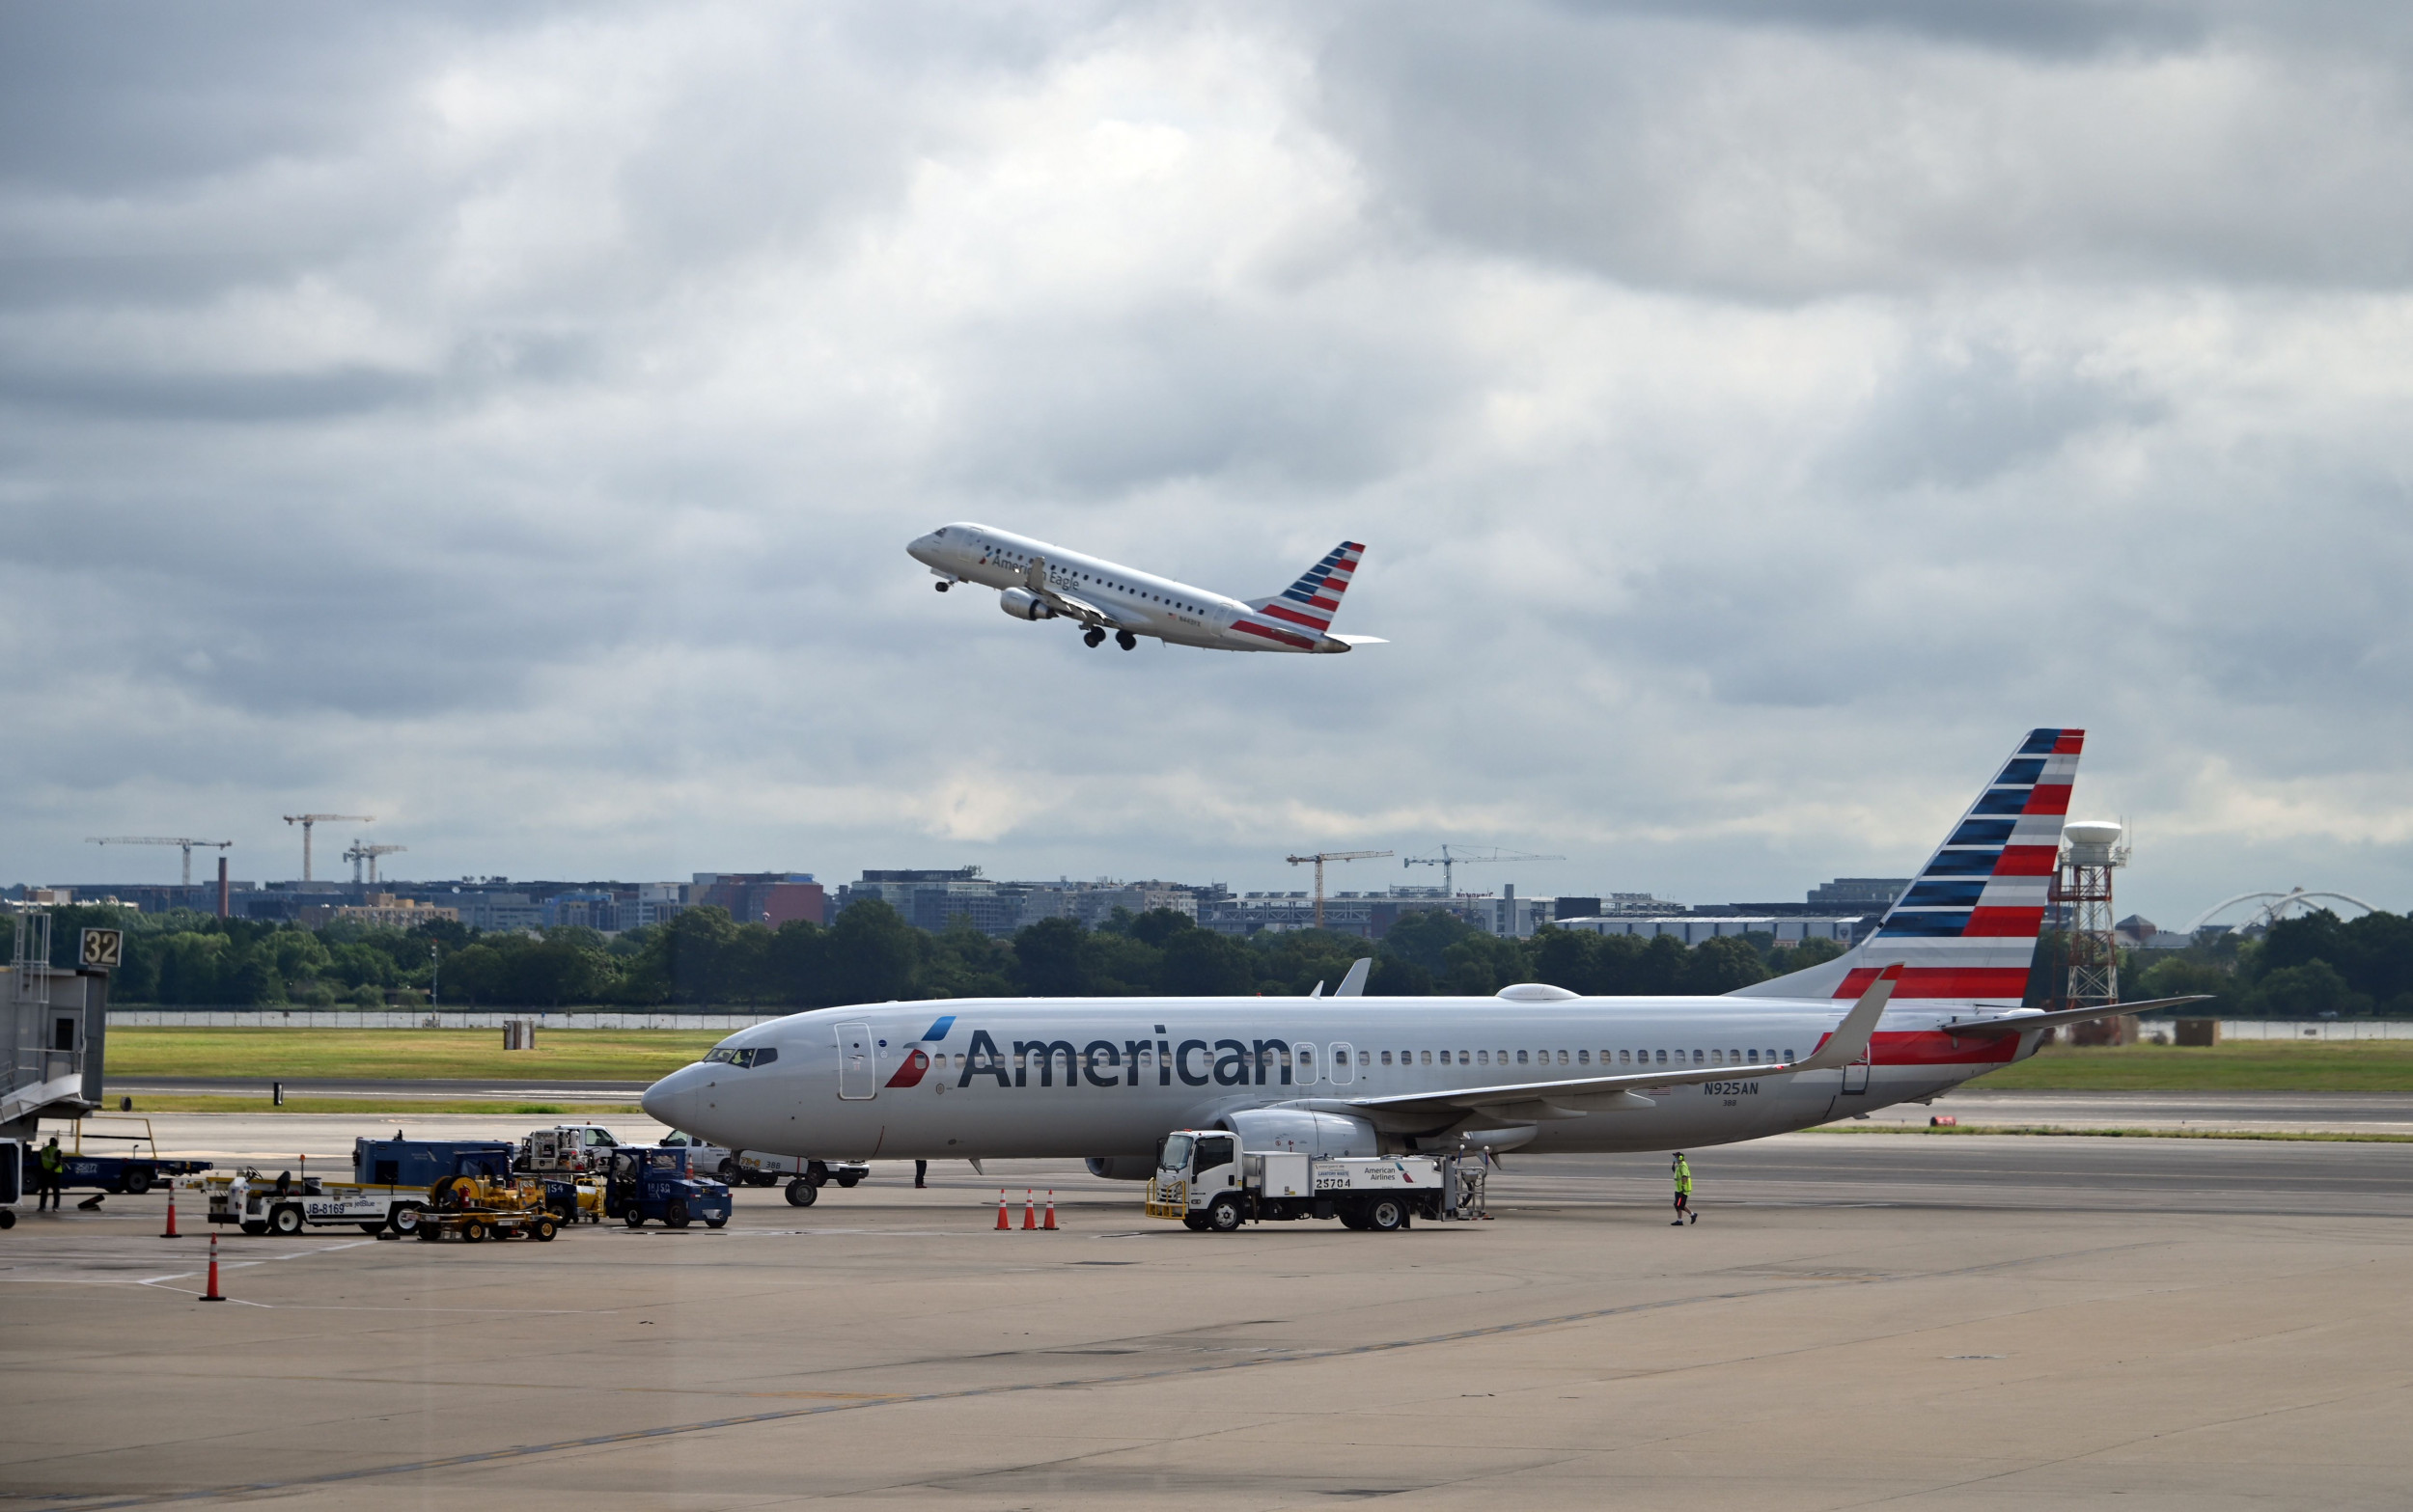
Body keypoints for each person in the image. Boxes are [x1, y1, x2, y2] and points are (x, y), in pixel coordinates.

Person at [35, 1135, 66, 1213]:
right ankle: (55, 1207)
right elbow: (58, 1162)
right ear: (55, 1143)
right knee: (56, 1191)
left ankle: (42, 1207)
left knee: (44, 1191)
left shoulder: (43, 1150)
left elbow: (40, 1160)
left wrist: (44, 1169)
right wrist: (52, 1169)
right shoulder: (57, 1151)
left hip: (45, 1172)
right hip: (55, 1173)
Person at [1670, 1152, 1694, 1225]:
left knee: (1679, 1205)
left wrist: (1683, 1187)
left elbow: (1684, 1177)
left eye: (1676, 1157)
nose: (1675, 1158)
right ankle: (1681, 1220)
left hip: (1683, 1190)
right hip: (1678, 1189)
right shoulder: (1679, 1166)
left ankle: (1692, 1215)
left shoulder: (1683, 1165)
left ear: (1680, 1157)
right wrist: (1674, 1170)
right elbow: (1679, 1176)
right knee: (1678, 1204)